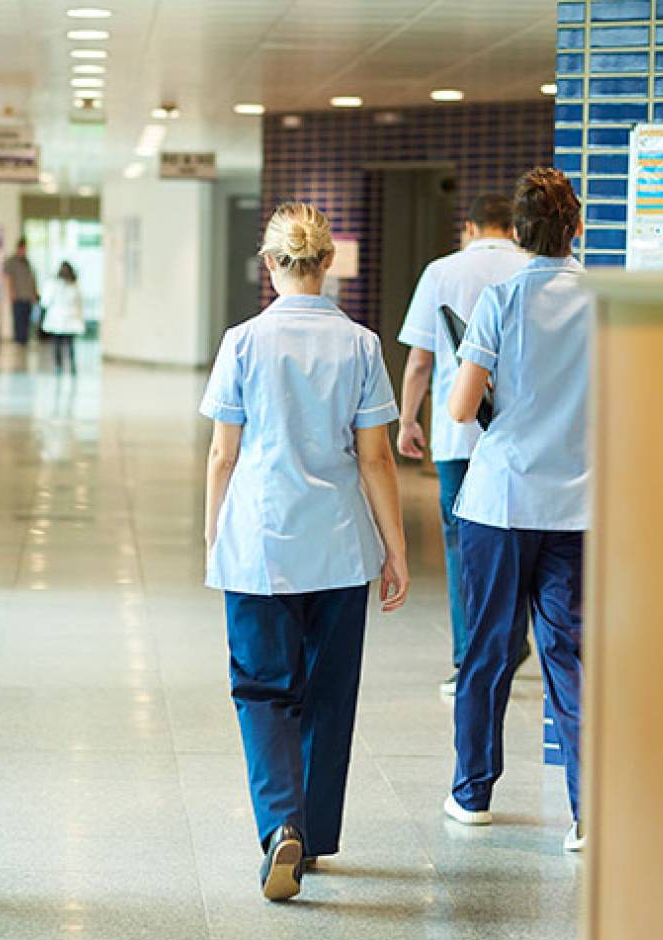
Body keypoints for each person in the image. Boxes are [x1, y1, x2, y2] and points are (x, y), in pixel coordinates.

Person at [201, 203, 410, 902]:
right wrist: (396, 549)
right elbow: (376, 457)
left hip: (260, 539)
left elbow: (223, 454)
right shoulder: (361, 345)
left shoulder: (242, 343)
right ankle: (311, 836)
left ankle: (279, 823)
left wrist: (215, 532)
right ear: (328, 266)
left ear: (270, 266)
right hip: (340, 546)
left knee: (262, 690)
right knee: (327, 694)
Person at [441, 168, 590, 854]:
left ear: (521, 235)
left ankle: (473, 794)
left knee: (487, 652)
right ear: (577, 228)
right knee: (570, 654)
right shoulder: (606, 301)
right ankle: (588, 812)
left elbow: (461, 408)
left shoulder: (501, 299)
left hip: (499, 504)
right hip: (578, 504)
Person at [396, 194, 531, 696]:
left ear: (470, 226)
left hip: (457, 434)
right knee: (517, 537)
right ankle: (512, 639)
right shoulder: (531, 267)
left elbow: (419, 360)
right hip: (518, 432)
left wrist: (409, 419)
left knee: (460, 544)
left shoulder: (441, 271)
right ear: (511, 227)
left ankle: (467, 655)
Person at [41, 261, 85, 374]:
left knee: (57, 344)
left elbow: (45, 302)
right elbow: (79, 303)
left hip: (57, 319)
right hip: (70, 319)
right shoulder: (74, 286)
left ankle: (58, 366)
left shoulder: (54, 285)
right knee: (70, 345)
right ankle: (72, 366)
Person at [3, 237, 38, 346]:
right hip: (17, 296)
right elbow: (7, 278)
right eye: (23, 248)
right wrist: (11, 293)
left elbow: (31, 279)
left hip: (28, 296)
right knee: (18, 320)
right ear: (19, 248)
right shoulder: (12, 261)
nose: (24, 251)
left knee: (26, 320)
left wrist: (34, 294)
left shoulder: (27, 262)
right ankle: (18, 341)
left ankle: (24, 340)